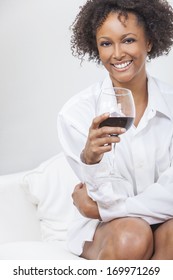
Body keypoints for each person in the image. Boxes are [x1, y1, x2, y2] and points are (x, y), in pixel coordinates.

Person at [57, 0, 173, 260]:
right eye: (106, 43)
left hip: (162, 220)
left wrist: (99, 209)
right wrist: (91, 160)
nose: (117, 53)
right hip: (105, 231)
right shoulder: (76, 114)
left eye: (129, 40)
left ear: (150, 42)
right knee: (133, 234)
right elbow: (107, 195)